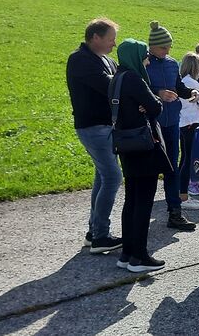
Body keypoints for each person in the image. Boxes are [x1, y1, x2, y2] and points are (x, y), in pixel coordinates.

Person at [113, 38, 172, 273]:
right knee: (144, 201)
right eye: (145, 56)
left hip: (126, 144)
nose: (147, 61)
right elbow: (156, 107)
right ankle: (139, 256)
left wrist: (144, 104)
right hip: (143, 144)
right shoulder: (135, 79)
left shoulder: (116, 78)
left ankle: (127, 253)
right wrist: (151, 102)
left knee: (131, 199)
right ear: (136, 57)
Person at [66, 17, 124, 254]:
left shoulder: (106, 59)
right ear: (95, 37)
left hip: (106, 127)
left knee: (103, 177)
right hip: (93, 127)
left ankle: (94, 233)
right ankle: (100, 236)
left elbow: (120, 80)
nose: (114, 44)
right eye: (111, 39)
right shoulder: (80, 59)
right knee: (113, 177)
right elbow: (110, 85)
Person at [145, 21, 199, 231]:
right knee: (150, 169)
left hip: (172, 121)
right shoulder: (144, 64)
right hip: (153, 123)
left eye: (169, 47)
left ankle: (175, 213)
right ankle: (143, 214)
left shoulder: (171, 63)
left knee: (172, 167)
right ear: (152, 46)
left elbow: (178, 86)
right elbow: (139, 88)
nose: (167, 51)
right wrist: (158, 93)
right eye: (163, 47)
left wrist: (189, 93)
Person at [178, 52, 199, 206]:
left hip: (182, 122)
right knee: (188, 159)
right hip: (192, 122)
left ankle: (179, 189)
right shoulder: (193, 83)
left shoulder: (182, 81)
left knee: (184, 157)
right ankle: (183, 194)